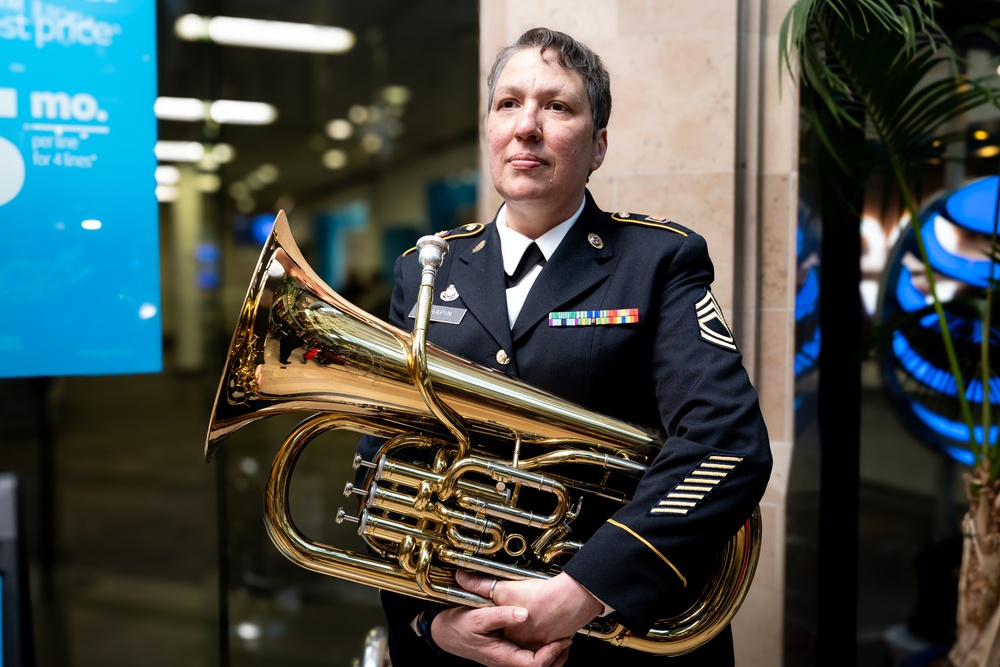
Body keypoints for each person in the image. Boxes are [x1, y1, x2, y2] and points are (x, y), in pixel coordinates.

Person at [354, 26, 772, 667]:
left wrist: (582, 591)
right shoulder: (427, 266)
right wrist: (431, 625)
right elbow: (384, 465)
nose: (527, 126)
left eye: (557, 106)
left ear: (598, 144)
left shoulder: (658, 260)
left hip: (619, 642)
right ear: (490, 132)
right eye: (508, 104)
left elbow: (726, 442)